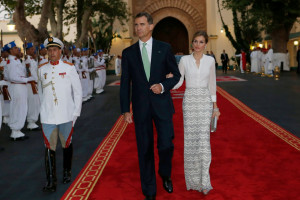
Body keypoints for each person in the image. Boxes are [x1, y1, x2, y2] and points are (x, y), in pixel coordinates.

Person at [120, 12, 181, 200]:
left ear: (151, 26)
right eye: (136, 24)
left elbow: (176, 75)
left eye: (142, 24)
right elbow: (125, 83)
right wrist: (125, 109)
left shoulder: (165, 48)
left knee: (166, 145)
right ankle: (149, 190)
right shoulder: (128, 53)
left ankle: (165, 174)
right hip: (141, 108)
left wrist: (163, 86)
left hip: (162, 105)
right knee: (144, 148)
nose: (138, 28)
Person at [172, 31, 220, 195]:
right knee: (191, 141)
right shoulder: (185, 60)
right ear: (192, 43)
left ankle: (205, 181)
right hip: (190, 101)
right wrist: (166, 84)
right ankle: (193, 181)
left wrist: (215, 107)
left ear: (206, 44)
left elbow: (212, 84)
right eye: (195, 41)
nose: (197, 45)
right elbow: (179, 81)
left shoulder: (210, 61)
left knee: (204, 141)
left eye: (201, 42)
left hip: (205, 101)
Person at [37, 37, 82, 192]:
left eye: (55, 50)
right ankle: (51, 181)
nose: (52, 53)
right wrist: (42, 111)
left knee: (66, 144)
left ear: (60, 51)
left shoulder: (69, 68)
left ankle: (67, 171)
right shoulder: (41, 69)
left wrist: (75, 113)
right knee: (49, 147)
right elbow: (41, 93)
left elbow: (77, 92)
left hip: (66, 114)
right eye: (49, 50)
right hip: (48, 115)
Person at [6, 41, 33, 140]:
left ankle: (17, 130)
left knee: (21, 108)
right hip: (17, 86)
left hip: (21, 86)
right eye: (15, 48)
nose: (17, 49)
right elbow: (13, 77)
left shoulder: (16, 60)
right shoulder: (11, 62)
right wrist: (27, 79)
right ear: (11, 50)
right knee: (17, 108)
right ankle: (15, 130)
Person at [25, 42, 40, 130]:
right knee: (32, 103)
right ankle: (31, 122)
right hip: (31, 85)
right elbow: (28, 74)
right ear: (27, 51)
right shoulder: (27, 61)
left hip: (34, 83)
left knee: (35, 103)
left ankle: (33, 121)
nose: (34, 50)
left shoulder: (32, 60)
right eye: (31, 49)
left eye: (33, 49)